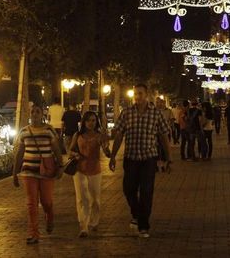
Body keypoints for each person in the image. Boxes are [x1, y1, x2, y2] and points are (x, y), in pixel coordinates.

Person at [109, 84, 171, 238]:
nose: (137, 97)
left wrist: (168, 158)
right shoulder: (127, 113)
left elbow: (163, 136)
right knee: (128, 188)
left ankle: (144, 226)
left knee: (146, 192)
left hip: (148, 158)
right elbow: (119, 135)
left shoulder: (156, 114)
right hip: (131, 157)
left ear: (147, 94)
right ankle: (136, 214)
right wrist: (112, 155)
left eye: (140, 94)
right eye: (135, 94)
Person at [13, 105, 64, 244]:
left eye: (37, 111)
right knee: (31, 203)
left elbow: (56, 149)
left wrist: (60, 166)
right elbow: (19, 153)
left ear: (42, 114)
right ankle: (33, 233)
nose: (34, 114)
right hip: (29, 171)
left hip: (46, 171)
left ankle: (49, 215)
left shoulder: (49, 130)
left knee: (46, 201)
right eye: (32, 112)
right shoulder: (24, 131)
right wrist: (15, 173)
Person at [68, 111, 110, 237]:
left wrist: (106, 146)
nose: (91, 123)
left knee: (95, 199)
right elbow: (70, 150)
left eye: (93, 120)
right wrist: (75, 154)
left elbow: (107, 152)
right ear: (84, 122)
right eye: (88, 120)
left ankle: (94, 221)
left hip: (95, 170)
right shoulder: (78, 135)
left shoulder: (99, 135)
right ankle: (84, 226)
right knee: (82, 198)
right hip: (80, 170)